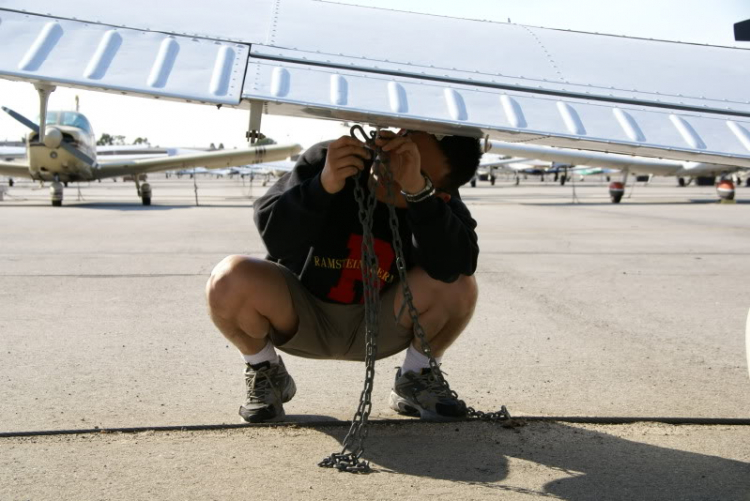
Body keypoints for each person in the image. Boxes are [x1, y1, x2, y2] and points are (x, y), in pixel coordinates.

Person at [206, 129, 482, 423]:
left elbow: (456, 265)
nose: (392, 166)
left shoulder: (437, 197)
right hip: (301, 315)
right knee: (229, 277)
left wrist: (419, 196)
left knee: (461, 285)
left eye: (413, 165)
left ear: (438, 190)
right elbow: (275, 238)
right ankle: (264, 370)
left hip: (381, 323)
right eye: (396, 150)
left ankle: (418, 375)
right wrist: (322, 185)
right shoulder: (332, 159)